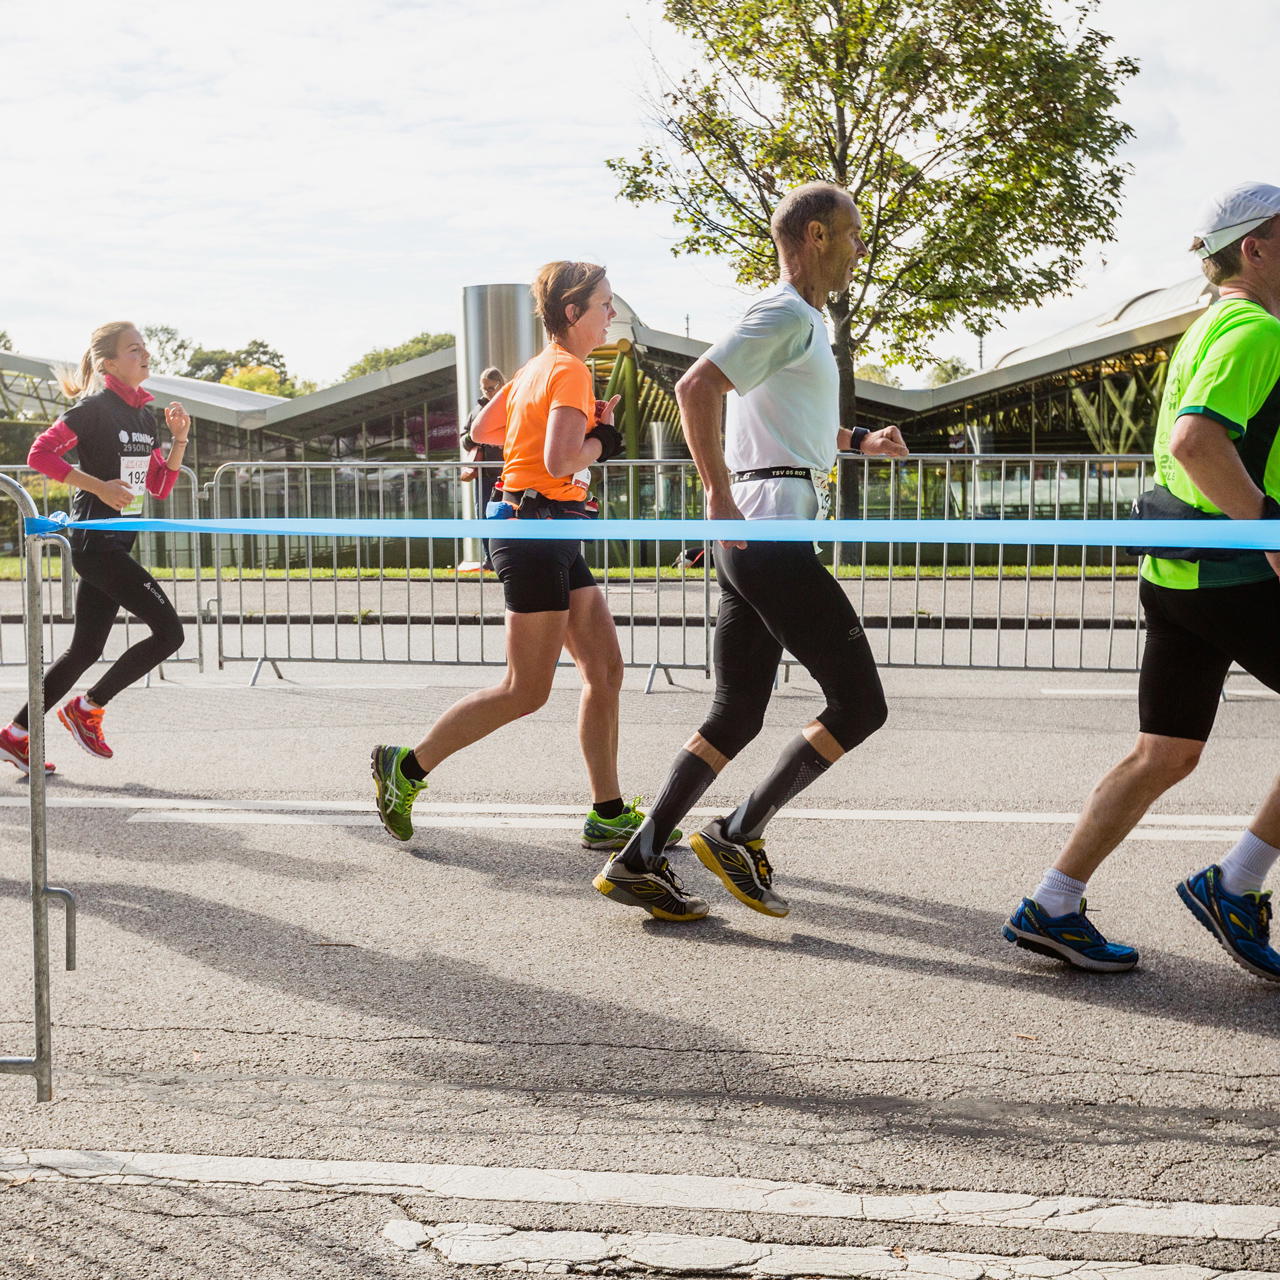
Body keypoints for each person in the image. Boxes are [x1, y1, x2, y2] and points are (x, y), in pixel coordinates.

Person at [593, 182, 908, 922]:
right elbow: (697, 386)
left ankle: (639, 858)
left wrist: (859, 440)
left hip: (756, 533)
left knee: (736, 715)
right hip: (766, 532)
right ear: (818, 236)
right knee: (860, 705)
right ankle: (738, 833)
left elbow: (787, 423)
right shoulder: (784, 313)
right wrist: (717, 494)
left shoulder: (799, 326)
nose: (861, 249)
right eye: (854, 234)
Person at [1002, 181, 1280, 983]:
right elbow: (1197, 443)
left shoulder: (1209, 327)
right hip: (1232, 571)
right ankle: (1237, 883)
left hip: (1176, 570)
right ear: (1255, 249)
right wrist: (1274, 540)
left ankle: (1052, 902)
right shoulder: (1256, 329)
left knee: (1163, 752)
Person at [371, 262, 671, 852]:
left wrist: (558, 428)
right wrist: (602, 440)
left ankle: (607, 812)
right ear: (572, 312)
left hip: (549, 526)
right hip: (533, 532)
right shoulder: (569, 372)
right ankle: (405, 768)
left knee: (605, 670)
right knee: (525, 690)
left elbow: (482, 429)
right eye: (605, 304)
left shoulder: (538, 368)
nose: (611, 313)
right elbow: (563, 461)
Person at [0, 321, 189, 773]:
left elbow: (159, 485)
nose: (144, 355)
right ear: (108, 363)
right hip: (95, 544)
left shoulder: (146, 415)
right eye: (133, 349)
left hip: (116, 544)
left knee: (84, 650)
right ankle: (88, 708)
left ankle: (17, 734)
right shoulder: (94, 409)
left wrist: (179, 438)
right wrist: (98, 487)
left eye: (145, 348)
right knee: (170, 633)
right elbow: (39, 455)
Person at [460, 366, 505, 568]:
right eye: (483, 388)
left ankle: (504, 558)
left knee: (508, 517)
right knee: (484, 516)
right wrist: (474, 438)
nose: (486, 392)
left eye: (490, 388)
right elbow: (464, 438)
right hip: (484, 474)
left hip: (507, 472)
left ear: (500, 386)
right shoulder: (477, 411)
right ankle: (489, 559)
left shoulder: (510, 406)